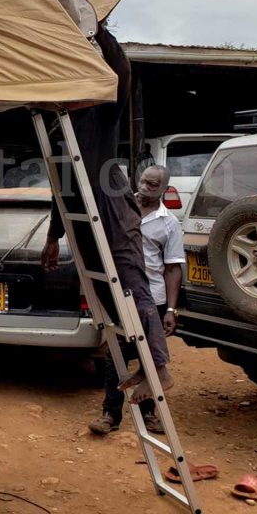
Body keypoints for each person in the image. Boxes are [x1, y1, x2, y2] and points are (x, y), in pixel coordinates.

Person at [40, 26, 174, 405]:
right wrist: (54, 235)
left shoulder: (102, 109)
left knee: (130, 281)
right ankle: (145, 363)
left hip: (111, 208)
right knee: (106, 292)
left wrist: (97, 30)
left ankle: (159, 368)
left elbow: (122, 72)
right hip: (83, 213)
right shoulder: (58, 123)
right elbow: (61, 185)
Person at [89, 164, 185, 435]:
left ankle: (148, 415)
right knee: (115, 354)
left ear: (165, 189)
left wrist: (171, 309)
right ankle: (110, 414)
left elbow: (173, 267)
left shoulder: (169, 223)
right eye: (144, 181)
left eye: (153, 185)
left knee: (149, 359)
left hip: (152, 296)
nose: (145, 187)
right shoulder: (123, 208)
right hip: (123, 294)